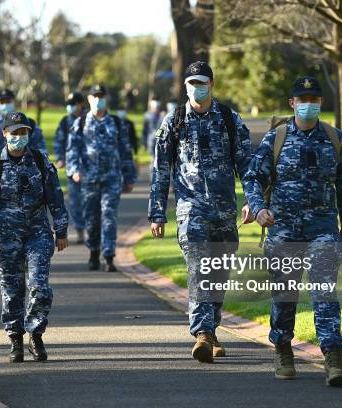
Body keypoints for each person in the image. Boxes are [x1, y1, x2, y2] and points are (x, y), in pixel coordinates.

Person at [242, 76, 342, 386]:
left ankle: (333, 359)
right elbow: (253, 177)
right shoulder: (276, 138)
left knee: (324, 291)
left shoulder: (335, 139)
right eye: (302, 98)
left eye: (314, 99)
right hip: (283, 231)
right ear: (291, 103)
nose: (309, 103)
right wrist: (258, 208)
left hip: (323, 229)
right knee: (285, 293)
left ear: (321, 103)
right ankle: (282, 348)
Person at [148, 61, 254, 363]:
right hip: (189, 208)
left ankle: (212, 329)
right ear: (186, 86)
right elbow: (161, 171)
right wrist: (157, 212)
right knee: (198, 267)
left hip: (224, 210)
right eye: (192, 82)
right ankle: (203, 333)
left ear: (212, 84)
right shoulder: (174, 121)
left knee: (218, 274)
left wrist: (253, 201)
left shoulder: (230, 120)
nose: (197, 87)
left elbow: (247, 165)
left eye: (202, 81)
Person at [0, 111, 69, 363]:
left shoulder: (40, 161)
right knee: (12, 290)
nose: (19, 137)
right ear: (5, 133)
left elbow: (55, 197)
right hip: (6, 237)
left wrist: (61, 230)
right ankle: (15, 338)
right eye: (15, 132)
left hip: (38, 234)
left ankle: (35, 334)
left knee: (40, 287)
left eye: (24, 132)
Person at [67, 84, 137, 272]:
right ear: (88, 100)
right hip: (88, 179)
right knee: (91, 219)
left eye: (101, 96)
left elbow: (125, 150)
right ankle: (94, 252)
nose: (98, 99)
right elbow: (72, 148)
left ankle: (109, 256)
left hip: (111, 178)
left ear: (106, 98)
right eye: (94, 96)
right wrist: (74, 169)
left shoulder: (116, 122)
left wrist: (129, 177)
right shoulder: (80, 123)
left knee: (109, 215)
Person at [0, 88, 47, 169]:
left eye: (8, 101)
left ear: (14, 101)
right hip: (0, 171)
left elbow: (41, 149)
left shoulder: (29, 123)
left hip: (30, 169)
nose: (5, 105)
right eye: (2, 102)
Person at [54, 91, 86, 244]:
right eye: (69, 105)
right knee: (75, 201)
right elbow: (59, 141)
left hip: (90, 168)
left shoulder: (89, 119)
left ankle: (94, 230)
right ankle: (80, 230)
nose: (71, 107)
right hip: (72, 168)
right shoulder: (65, 121)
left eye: (74, 104)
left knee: (92, 201)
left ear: (81, 104)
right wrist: (60, 158)